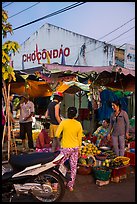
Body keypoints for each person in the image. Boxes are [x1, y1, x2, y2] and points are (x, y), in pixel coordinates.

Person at [55, 107, 83, 192]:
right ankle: (70, 186)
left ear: (67, 114)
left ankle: (56, 185)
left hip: (66, 148)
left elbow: (57, 135)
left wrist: (60, 143)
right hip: (75, 148)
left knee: (59, 166)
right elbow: (79, 139)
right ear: (76, 115)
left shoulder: (63, 122)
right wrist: (79, 150)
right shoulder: (78, 124)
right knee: (73, 167)